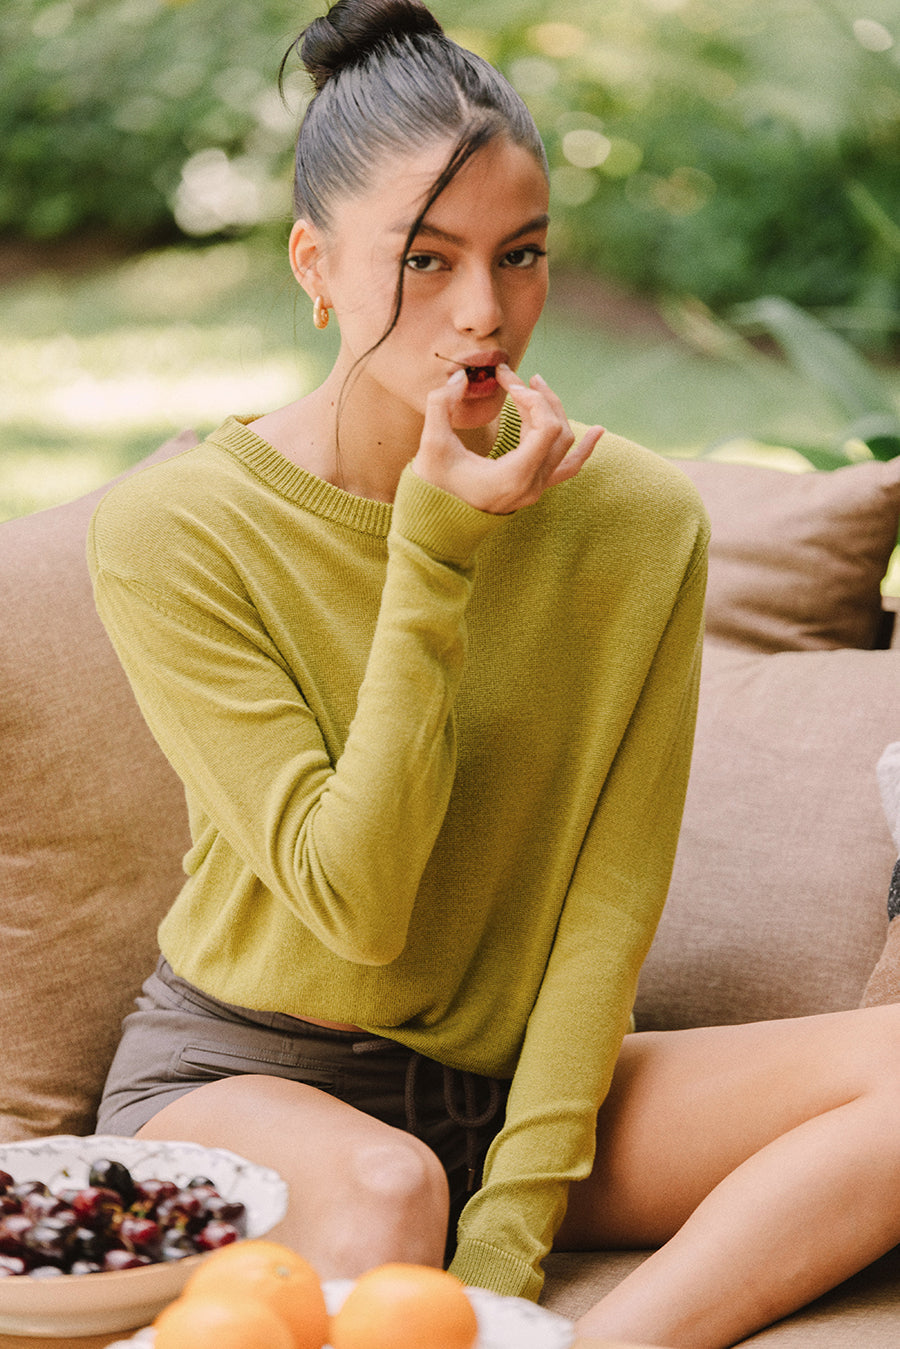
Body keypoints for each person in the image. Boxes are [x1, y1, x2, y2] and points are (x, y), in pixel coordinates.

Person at [86, 3, 900, 1345]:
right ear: (314, 264)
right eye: (426, 258)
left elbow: (609, 896)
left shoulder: (636, 519)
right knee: (389, 1190)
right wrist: (436, 553)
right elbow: (355, 901)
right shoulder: (175, 530)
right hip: (251, 1071)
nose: (484, 314)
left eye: (520, 255)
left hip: (516, 1083)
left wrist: (514, 1230)